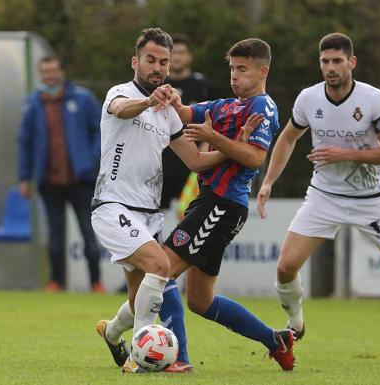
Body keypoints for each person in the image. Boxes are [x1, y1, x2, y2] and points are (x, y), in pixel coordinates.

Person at [257, 32, 380, 362]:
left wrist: (344, 154)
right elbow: (287, 139)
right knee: (285, 267)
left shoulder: (373, 99)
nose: (330, 68)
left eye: (337, 61)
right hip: (324, 196)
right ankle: (295, 323)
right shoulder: (308, 99)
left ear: (352, 63)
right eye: (325, 61)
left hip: (371, 198)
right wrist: (268, 182)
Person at [92, 28, 244, 374]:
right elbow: (121, 109)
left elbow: (196, 161)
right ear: (136, 62)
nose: (158, 67)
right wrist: (148, 101)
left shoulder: (169, 113)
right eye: (150, 60)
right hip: (112, 206)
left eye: (164, 62)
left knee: (140, 296)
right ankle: (143, 361)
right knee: (161, 267)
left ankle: (113, 332)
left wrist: (234, 145)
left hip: (148, 213)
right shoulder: (121, 93)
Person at [159, 37, 296, 371]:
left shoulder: (262, 107)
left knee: (159, 272)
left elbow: (254, 157)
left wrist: (213, 138)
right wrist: (173, 98)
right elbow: (186, 114)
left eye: (243, 69)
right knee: (200, 301)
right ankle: (276, 341)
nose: (235, 76)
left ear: (263, 71)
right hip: (209, 202)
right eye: (232, 68)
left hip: (222, 205)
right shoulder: (226, 105)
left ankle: (177, 358)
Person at [18, 54, 105, 293]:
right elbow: (24, 142)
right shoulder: (33, 104)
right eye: (45, 72)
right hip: (49, 180)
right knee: (55, 236)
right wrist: (24, 177)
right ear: (40, 75)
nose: (50, 76)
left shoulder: (82, 98)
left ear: (62, 72)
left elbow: (101, 130)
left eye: (53, 71)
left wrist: (91, 159)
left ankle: (96, 282)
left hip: (81, 179)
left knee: (89, 232)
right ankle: (56, 282)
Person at [160, 34, 212, 210]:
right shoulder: (159, 85)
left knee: (191, 210)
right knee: (155, 212)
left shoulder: (202, 85)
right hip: (162, 158)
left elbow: (213, 119)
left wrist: (205, 145)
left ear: (189, 56)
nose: (178, 57)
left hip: (192, 158)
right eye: (174, 53)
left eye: (182, 53)